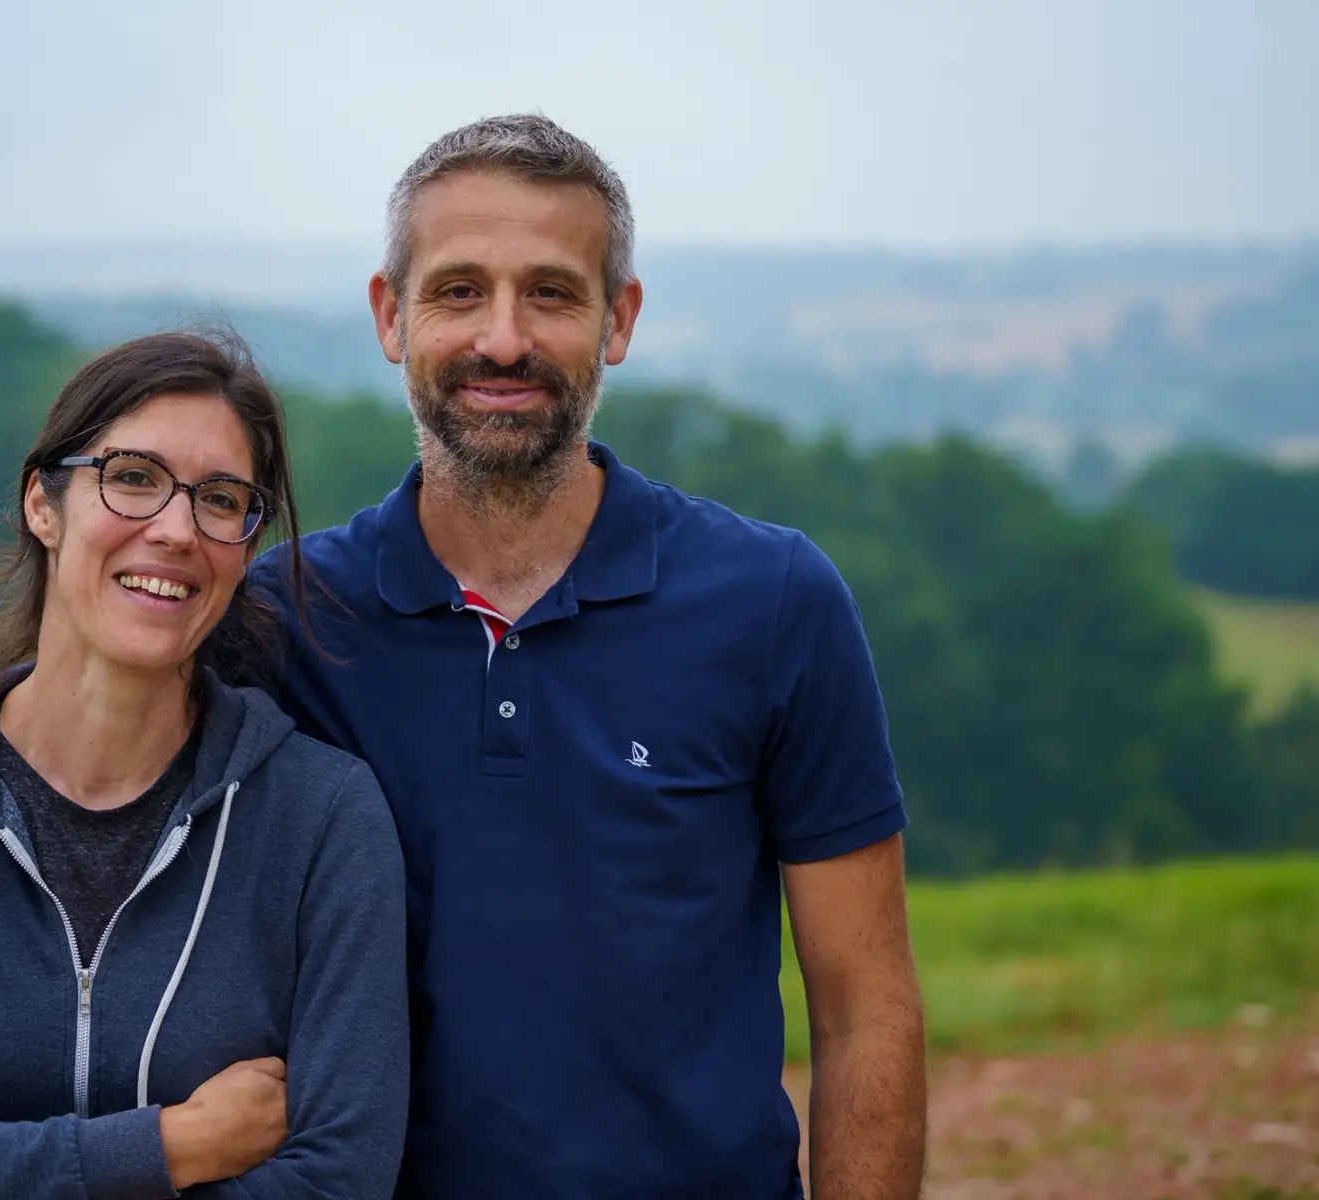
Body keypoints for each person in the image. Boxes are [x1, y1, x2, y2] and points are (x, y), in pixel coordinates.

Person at [252, 115, 928, 1198]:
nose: (505, 340)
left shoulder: (775, 601)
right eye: (460, 290)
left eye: (553, 294)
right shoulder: (278, 623)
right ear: (391, 315)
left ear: (619, 320)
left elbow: (865, 1010)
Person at [0, 332, 409, 1200]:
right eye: (134, 478)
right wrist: (176, 1146)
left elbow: (339, 1184)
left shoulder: (325, 819)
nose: (178, 530)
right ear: (43, 502)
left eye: (221, 500)